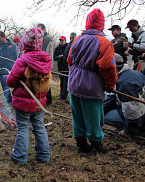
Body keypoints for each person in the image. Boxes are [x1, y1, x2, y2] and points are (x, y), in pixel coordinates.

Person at [67, 8, 117, 154]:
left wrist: (76, 74)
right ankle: (96, 144)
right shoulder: (104, 43)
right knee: (94, 116)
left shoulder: (78, 39)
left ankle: (82, 144)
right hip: (91, 85)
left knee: (78, 115)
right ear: (101, 25)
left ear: (88, 23)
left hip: (74, 82)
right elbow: (108, 67)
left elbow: (70, 60)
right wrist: (110, 84)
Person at [6, 27, 51, 164]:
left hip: (23, 103)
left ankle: (20, 157)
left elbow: (10, 82)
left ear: (26, 42)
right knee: (39, 126)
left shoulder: (22, 61)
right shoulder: (46, 59)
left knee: (23, 128)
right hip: (39, 101)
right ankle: (43, 156)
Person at [103, 53, 145, 137]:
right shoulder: (126, 74)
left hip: (141, 116)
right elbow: (110, 99)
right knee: (100, 113)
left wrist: (128, 130)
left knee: (105, 117)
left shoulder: (125, 84)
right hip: (140, 110)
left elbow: (133, 112)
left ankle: (138, 129)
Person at [0, 31, 18, 109]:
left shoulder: (13, 45)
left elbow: (17, 58)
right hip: (1, 70)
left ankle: (16, 101)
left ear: (4, 37)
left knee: (15, 86)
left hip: (12, 70)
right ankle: (9, 102)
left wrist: (17, 68)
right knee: (5, 87)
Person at [37, 23, 54, 105]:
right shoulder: (41, 38)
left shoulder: (46, 39)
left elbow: (48, 54)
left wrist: (49, 65)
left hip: (45, 64)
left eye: (40, 29)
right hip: (42, 64)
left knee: (45, 81)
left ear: (44, 29)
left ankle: (48, 100)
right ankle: (45, 99)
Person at [53, 36, 68, 101]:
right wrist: (58, 57)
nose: (61, 42)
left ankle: (64, 96)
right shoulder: (57, 48)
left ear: (65, 40)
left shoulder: (68, 47)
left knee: (66, 82)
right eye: (60, 40)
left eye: (62, 40)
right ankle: (61, 95)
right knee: (62, 82)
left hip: (67, 67)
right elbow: (54, 58)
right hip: (60, 68)